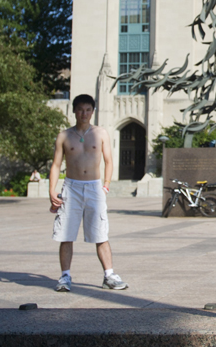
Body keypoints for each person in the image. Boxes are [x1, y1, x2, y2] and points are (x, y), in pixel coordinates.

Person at [48, 94, 128, 292]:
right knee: (66, 234)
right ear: (74, 111)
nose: (84, 113)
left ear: (93, 112)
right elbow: (56, 165)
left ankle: (109, 275)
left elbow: (109, 160)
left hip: (94, 186)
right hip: (71, 187)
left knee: (101, 232)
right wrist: (52, 190)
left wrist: (106, 185)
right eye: (80, 109)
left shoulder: (100, 133)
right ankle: (65, 276)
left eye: (88, 110)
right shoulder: (64, 136)